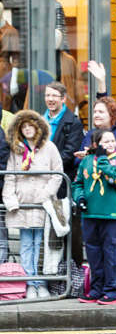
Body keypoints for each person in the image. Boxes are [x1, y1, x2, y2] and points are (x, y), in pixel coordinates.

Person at [77, 97, 116, 288]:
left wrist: (99, 156)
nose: (96, 115)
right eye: (94, 111)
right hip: (94, 203)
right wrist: (89, 156)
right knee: (96, 250)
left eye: (101, 112)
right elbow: (79, 167)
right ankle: (98, 287)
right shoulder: (91, 134)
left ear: (112, 115)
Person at [2, 110, 63, 299]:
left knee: (42, 245)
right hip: (22, 205)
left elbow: (57, 174)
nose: (27, 129)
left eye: (31, 125)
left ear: (38, 128)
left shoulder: (50, 147)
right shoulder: (16, 150)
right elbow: (9, 176)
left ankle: (41, 283)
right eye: (24, 126)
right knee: (26, 245)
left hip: (42, 205)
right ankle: (29, 283)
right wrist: (11, 200)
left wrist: (44, 196)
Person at [72, 129, 116, 305]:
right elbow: (78, 183)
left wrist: (102, 158)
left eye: (113, 141)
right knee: (94, 254)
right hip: (90, 214)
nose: (111, 144)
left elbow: (115, 177)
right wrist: (79, 197)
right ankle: (96, 289)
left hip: (111, 215)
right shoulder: (87, 161)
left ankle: (113, 291)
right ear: (96, 145)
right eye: (107, 141)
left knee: (112, 254)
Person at [43, 81, 85, 265]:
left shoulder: (73, 122)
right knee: (46, 228)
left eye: (54, 96)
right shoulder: (40, 120)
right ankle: (49, 270)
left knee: (65, 226)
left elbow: (69, 152)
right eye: (47, 95)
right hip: (42, 181)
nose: (50, 99)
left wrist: (48, 166)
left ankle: (71, 271)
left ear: (63, 98)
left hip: (62, 182)